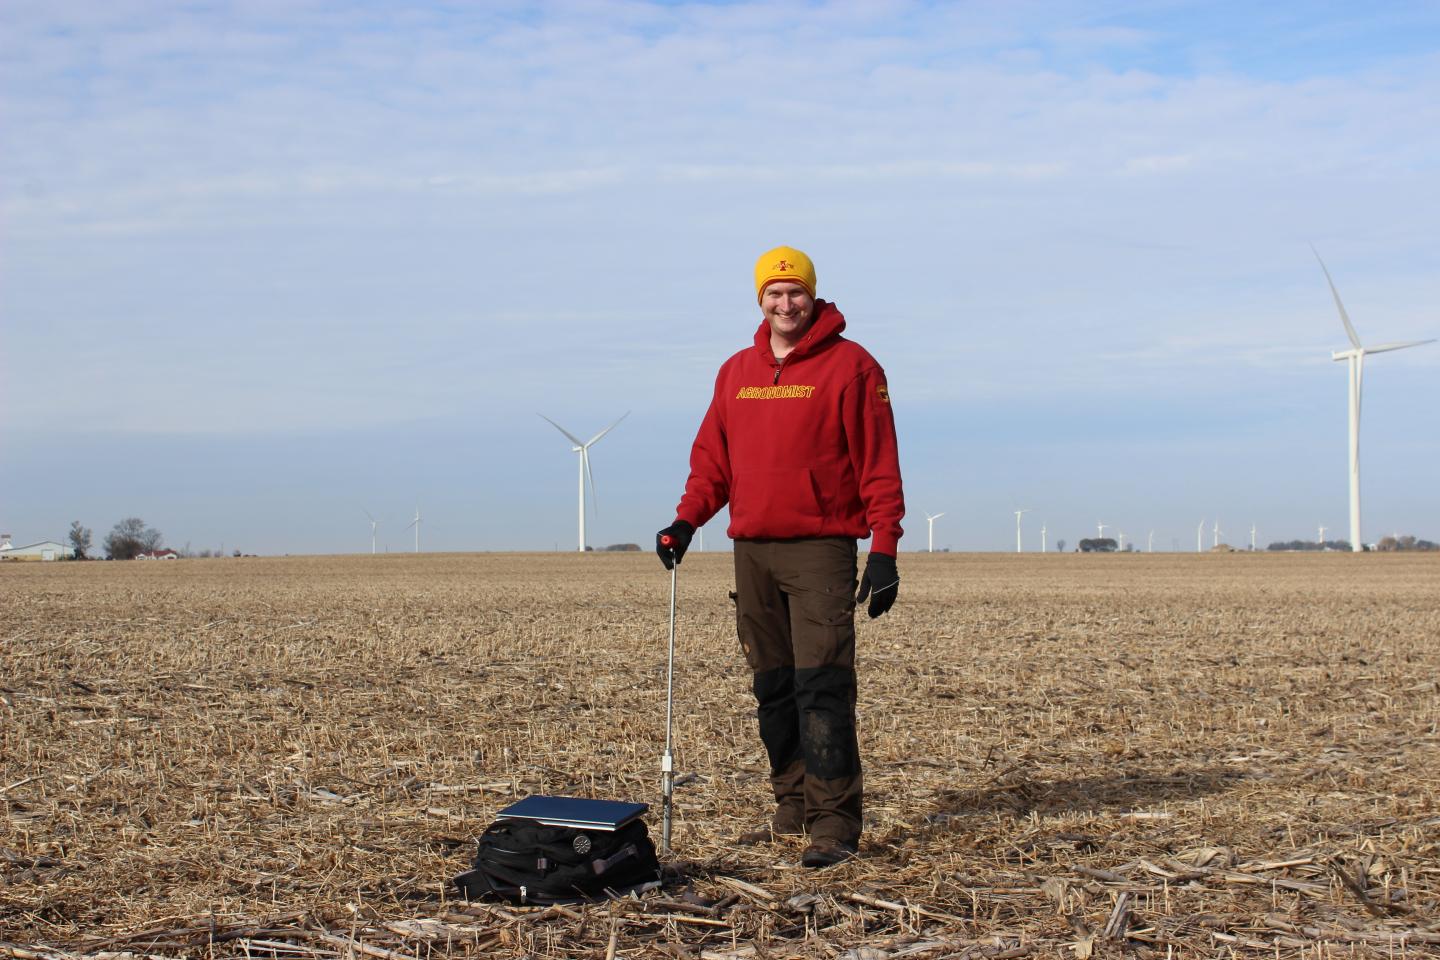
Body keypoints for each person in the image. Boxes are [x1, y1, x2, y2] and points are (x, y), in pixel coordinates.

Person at [655, 245, 905, 868]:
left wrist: (884, 549)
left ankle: (834, 824)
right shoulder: (736, 372)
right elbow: (713, 461)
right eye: (775, 293)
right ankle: (791, 806)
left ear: (813, 296)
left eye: (796, 292)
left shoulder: (852, 367)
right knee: (773, 688)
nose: (786, 303)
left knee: (822, 685)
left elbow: (879, 464)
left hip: (821, 548)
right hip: (753, 549)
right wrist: (686, 521)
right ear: (759, 299)